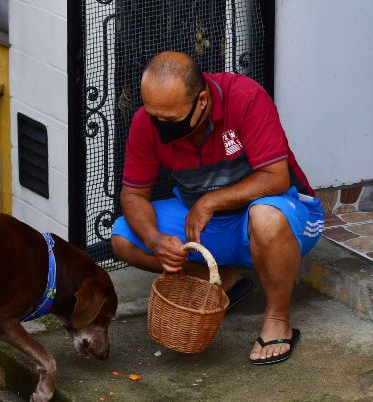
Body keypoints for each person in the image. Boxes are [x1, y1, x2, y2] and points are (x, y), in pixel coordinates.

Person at [111, 51, 324, 365]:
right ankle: (222, 280)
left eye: (169, 119)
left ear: (201, 101)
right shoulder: (148, 120)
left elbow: (275, 179)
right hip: (202, 221)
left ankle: (278, 318)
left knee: (265, 216)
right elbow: (133, 195)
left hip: (275, 213)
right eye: (153, 115)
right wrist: (156, 241)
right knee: (123, 236)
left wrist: (210, 201)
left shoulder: (245, 97)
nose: (159, 126)